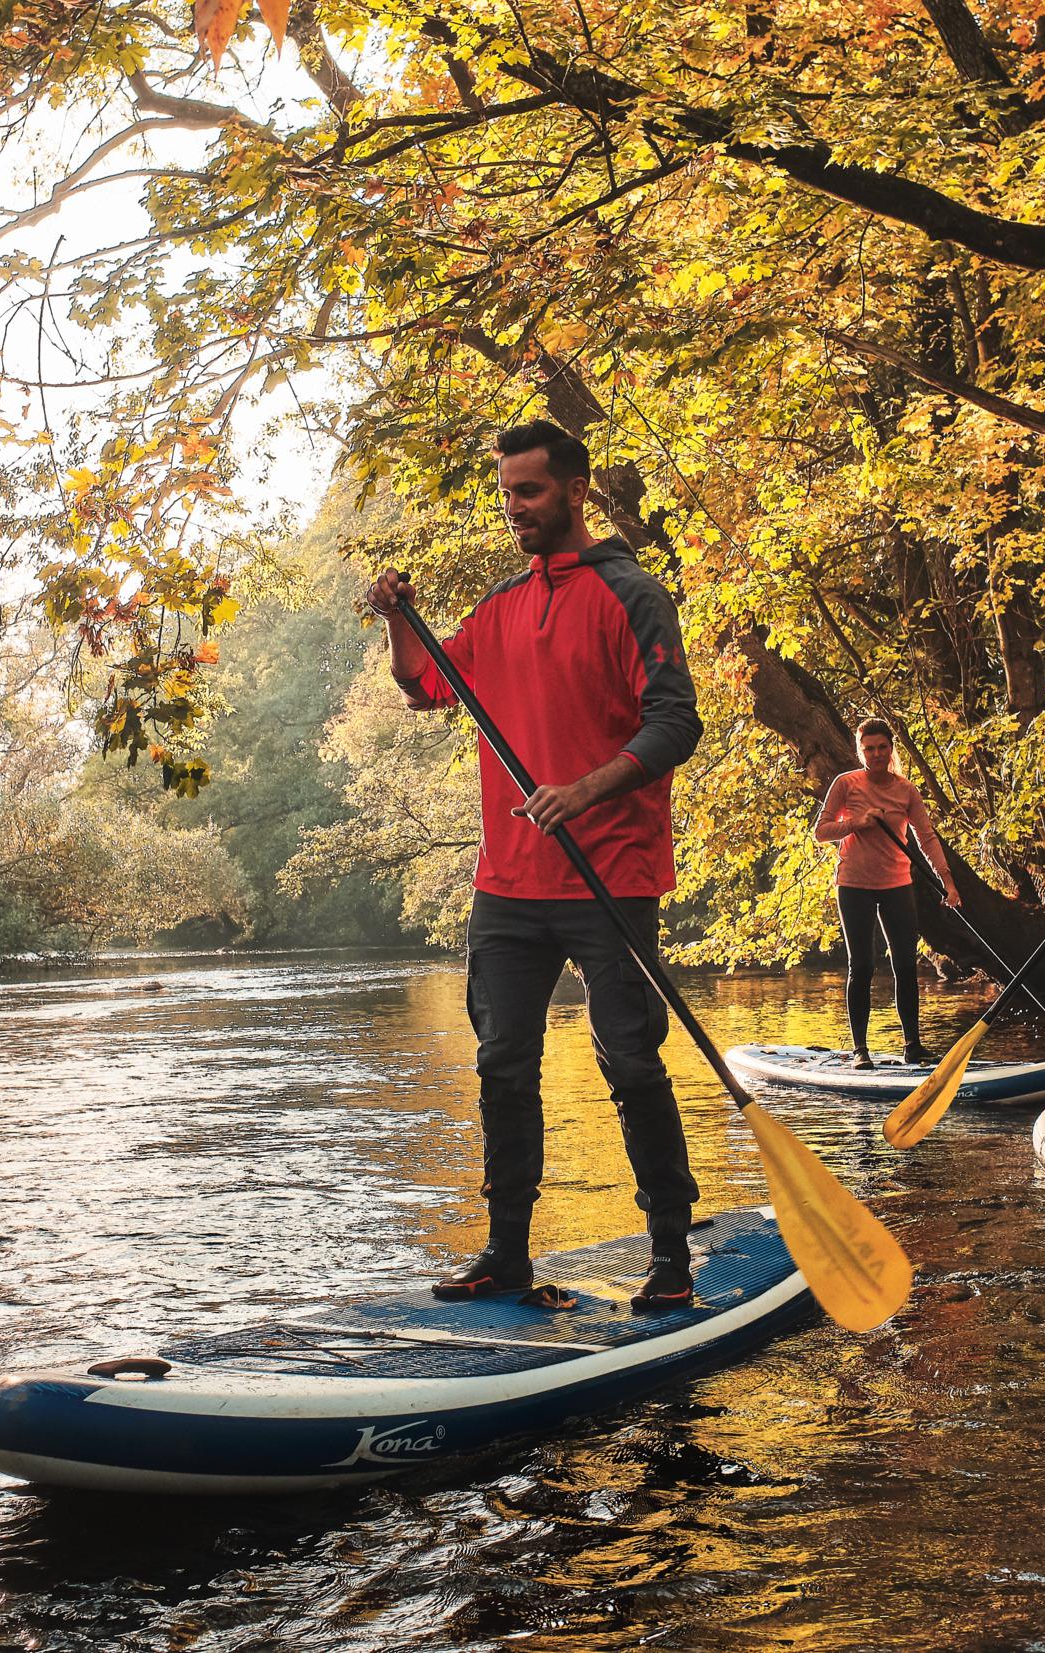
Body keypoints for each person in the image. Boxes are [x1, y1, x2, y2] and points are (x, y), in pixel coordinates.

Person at [365, 420, 704, 1311]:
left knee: (630, 1061)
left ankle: (671, 1250)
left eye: (531, 490)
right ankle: (505, 1250)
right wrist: (399, 619)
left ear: (576, 490)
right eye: (507, 491)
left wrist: (585, 790)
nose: (514, 506)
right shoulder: (502, 605)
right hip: (507, 885)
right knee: (502, 1063)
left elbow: (676, 723)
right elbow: (423, 687)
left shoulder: (634, 595)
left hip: (611, 876)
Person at [812, 718, 957, 1068]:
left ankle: (913, 1046)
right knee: (861, 965)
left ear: (891, 749)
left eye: (882, 747)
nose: (876, 754)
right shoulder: (846, 784)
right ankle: (860, 1050)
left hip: (897, 885)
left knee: (905, 965)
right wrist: (856, 823)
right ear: (860, 751)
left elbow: (927, 838)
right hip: (854, 885)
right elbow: (821, 831)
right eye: (869, 749)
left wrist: (948, 881)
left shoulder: (906, 790)